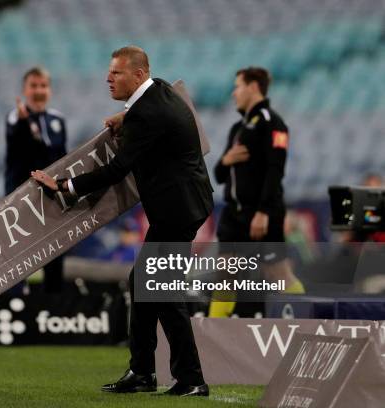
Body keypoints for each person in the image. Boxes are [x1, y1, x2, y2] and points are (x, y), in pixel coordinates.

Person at [32, 46, 213, 397]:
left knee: (162, 290)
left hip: (178, 210)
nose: (107, 78)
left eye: (116, 73)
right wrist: (125, 116)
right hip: (184, 204)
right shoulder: (159, 90)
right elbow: (151, 112)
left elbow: (117, 170)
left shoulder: (147, 113)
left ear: (139, 75)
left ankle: (191, 378)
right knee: (143, 282)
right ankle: (143, 372)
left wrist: (64, 185)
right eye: (109, 72)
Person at [209, 67, 304, 318]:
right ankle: (209, 337)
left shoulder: (274, 124)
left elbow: (276, 170)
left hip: (261, 214)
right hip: (233, 215)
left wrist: (263, 211)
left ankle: (308, 319)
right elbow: (219, 175)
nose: (233, 93)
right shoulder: (236, 130)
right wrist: (226, 160)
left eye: (237, 86)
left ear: (253, 87)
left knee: (277, 274)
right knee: (225, 275)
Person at [5, 67, 67, 293]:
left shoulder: (58, 119)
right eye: (34, 86)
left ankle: (55, 310)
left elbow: (61, 158)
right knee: (19, 259)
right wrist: (24, 124)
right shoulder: (15, 118)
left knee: (55, 255)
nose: (39, 91)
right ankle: (16, 306)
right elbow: (23, 148)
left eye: (43, 86)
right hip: (22, 200)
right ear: (25, 90)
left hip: (51, 198)